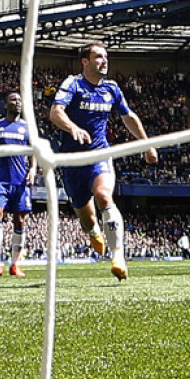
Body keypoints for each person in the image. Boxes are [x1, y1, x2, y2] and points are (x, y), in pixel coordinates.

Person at [49, 42, 157, 281]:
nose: (104, 61)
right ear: (85, 61)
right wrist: (72, 127)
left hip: (100, 153)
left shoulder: (111, 88)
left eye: (106, 56)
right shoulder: (73, 84)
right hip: (72, 160)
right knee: (86, 219)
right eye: (98, 57)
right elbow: (56, 112)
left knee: (104, 197)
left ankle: (118, 257)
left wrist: (146, 144)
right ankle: (94, 231)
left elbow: (128, 116)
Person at [0, 92, 36, 278]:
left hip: (20, 180)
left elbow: (32, 152)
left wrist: (32, 170)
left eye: (20, 100)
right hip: (0, 179)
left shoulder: (26, 128)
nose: (18, 103)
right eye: (13, 100)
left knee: (20, 220)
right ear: (6, 105)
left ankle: (15, 264)